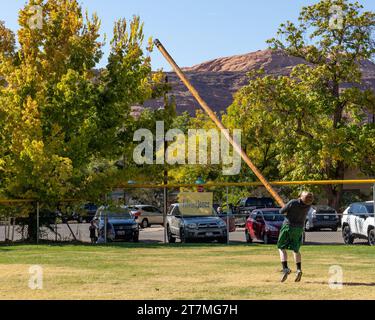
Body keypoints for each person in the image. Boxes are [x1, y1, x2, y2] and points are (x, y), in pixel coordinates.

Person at [277, 191, 314, 283]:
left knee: (281, 248)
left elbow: (281, 211)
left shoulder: (293, 202)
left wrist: (286, 209)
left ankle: (285, 268)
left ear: (301, 197)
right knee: (296, 250)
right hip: (299, 229)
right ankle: (298, 270)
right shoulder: (308, 205)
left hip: (288, 227)